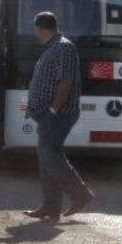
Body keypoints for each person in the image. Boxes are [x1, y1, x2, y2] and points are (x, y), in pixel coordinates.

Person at [24, 11, 93, 219]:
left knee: (49, 155)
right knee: (46, 156)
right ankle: (50, 206)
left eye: (36, 29)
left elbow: (66, 81)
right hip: (48, 113)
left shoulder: (63, 47)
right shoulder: (53, 47)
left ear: (40, 28)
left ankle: (80, 195)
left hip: (58, 113)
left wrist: (53, 109)